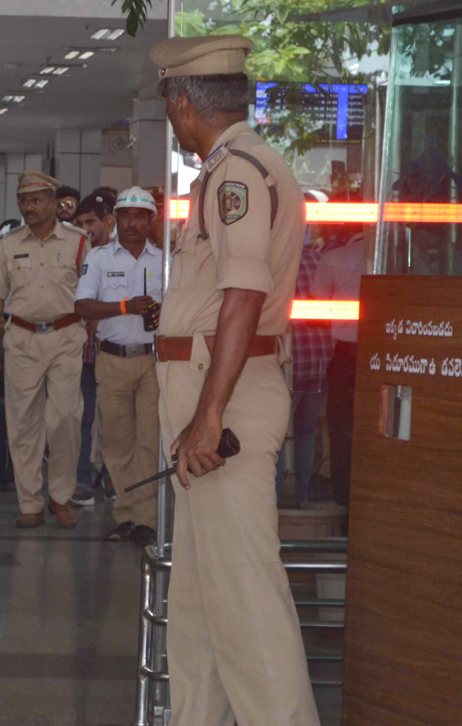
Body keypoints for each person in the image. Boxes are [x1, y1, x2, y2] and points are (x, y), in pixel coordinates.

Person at [151, 35, 318, 724]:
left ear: (183, 103)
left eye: (167, 100)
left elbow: (244, 295)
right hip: (210, 389)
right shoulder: (229, 168)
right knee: (198, 605)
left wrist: (209, 413)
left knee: (247, 601)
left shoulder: (238, 174)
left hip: (224, 395)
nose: (169, 112)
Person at [0, 172, 87, 527]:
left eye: (37, 200)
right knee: (23, 423)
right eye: (24, 201)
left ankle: (61, 495)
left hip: (66, 337)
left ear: (54, 203)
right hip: (22, 339)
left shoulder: (78, 242)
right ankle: (30, 503)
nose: (29, 207)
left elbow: (92, 294)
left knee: (65, 419)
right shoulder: (8, 244)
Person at [74, 187, 163, 546]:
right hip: (112, 360)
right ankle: (126, 516)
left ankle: (148, 519)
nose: (131, 223)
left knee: (150, 442)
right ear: (115, 219)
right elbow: (83, 306)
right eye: (125, 216)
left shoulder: (165, 260)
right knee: (117, 443)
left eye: (140, 216)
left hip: (154, 361)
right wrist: (125, 307)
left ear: (150, 221)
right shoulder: (99, 258)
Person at [311, 223, 365, 509]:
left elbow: (317, 297)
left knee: (342, 429)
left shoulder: (335, 258)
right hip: (391, 353)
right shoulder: (401, 255)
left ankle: (344, 498)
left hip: (346, 355)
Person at [71, 192, 118, 506]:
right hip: (85, 349)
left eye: (91, 222)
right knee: (83, 417)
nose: (85, 229)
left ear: (108, 221)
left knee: (116, 418)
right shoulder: (79, 253)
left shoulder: (126, 254)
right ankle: (83, 481)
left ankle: (115, 480)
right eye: (80, 223)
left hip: (116, 349)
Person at [286, 231, 332, 506]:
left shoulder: (277, 263)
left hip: (288, 365)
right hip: (320, 363)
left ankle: (279, 499)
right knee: (306, 432)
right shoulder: (320, 260)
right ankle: (301, 498)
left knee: (279, 436)